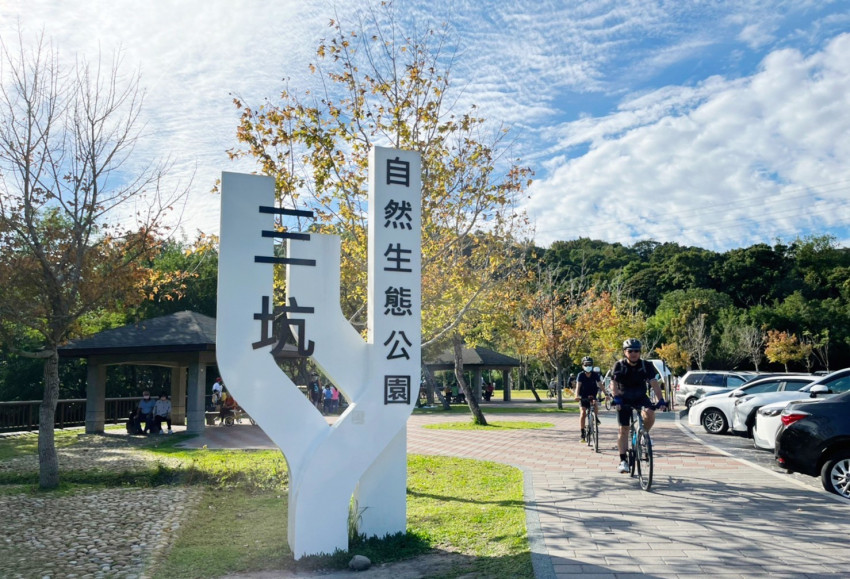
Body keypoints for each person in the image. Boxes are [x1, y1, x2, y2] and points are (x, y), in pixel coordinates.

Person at [610, 338, 667, 473]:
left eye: (637, 351)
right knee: (623, 429)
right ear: (625, 352)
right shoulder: (619, 365)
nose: (634, 353)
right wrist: (616, 398)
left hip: (641, 397)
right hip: (623, 399)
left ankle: (643, 434)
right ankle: (623, 461)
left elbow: (654, 383)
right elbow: (614, 384)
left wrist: (661, 400)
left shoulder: (646, 365)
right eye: (630, 351)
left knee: (650, 413)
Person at [574, 356, 604, 442]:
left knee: (595, 404)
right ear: (583, 365)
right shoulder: (580, 375)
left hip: (592, 394)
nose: (588, 366)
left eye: (590, 364)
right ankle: (583, 433)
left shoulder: (595, 375)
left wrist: (606, 394)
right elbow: (578, 386)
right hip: (583, 396)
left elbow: (600, 384)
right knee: (583, 413)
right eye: (586, 364)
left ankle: (595, 418)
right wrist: (576, 396)